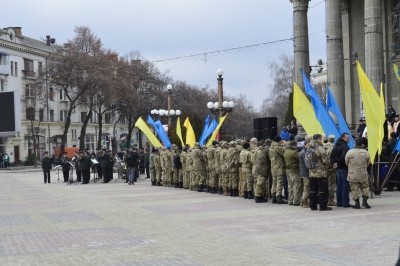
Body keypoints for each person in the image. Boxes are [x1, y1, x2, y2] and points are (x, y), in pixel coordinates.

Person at [345, 137, 371, 209]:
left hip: (352, 173)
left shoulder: (350, 152)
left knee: (354, 188)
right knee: (365, 187)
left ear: (355, 143)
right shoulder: (366, 152)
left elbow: (346, 162)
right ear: (362, 144)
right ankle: (365, 201)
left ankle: (357, 203)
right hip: (363, 173)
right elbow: (368, 163)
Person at [309, 134, 331, 211]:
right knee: (323, 190)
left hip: (311, 172)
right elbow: (326, 161)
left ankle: (313, 206)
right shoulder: (320, 148)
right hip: (321, 173)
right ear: (319, 139)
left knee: (313, 190)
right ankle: (323, 206)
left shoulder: (309, 147)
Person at [330, 132, 352, 208]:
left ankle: (339, 202)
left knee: (339, 185)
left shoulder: (336, 145)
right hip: (343, 167)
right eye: (347, 137)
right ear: (343, 138)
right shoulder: (345, 146)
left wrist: (334, 163)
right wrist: (338, 164)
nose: (348, 138)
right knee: (345, 185)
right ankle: (345, 202)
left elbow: (331, 156)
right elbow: (344, 157)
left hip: (337, 168)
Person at [269, 136, 287, 204]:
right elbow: (283, 153)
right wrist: (284, 145)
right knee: (279, 182)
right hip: (279, 167)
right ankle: (279, 197)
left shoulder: (271, 147)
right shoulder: (277, 147)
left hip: (273, 167)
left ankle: (273, 196)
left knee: (274, 182)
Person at [283, 140, 301, 206]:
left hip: (288, 170)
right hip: (294, 170)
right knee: (296, 186)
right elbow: (300, 158)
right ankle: (296, 201)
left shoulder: (286, 151)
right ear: (294, 145)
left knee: (290, 186)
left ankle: (290, 200)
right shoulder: (294, 152)